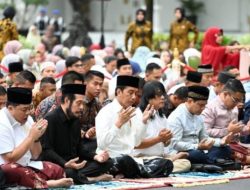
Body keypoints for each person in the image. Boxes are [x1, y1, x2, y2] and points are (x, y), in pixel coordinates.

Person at [96, 75, 173, 178]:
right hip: (112, 159)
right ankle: (140, 172)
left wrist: (143, 122)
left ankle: (135, 173)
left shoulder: (132, 112)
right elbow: (102, 144)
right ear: (119, 92)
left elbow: (136, 142)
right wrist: (118, 124)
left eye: (136, 94)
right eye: (130, 93)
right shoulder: (105, 112)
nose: (134, 97)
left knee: (166, 164)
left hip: (132, 159)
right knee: (124, 160)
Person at [0, 87, 73, 188]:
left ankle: (36, 181)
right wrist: (31, 137)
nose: (28, 113)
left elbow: (35, 155)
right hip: (7, 168)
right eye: (24, 109)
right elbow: (9, 159)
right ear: (10, 108)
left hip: (27, 165)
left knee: (57, 170)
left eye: (29, 108)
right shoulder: (2, 122)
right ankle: (46, 184)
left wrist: (37, 137)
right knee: (11, 170)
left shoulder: (28, 119)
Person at [41, 84, 113, 184]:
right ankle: (93, 179)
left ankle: (79, 177)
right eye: (78, 103)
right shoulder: (50, 119)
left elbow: (79, 148)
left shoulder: (75, 119)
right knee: (70, 172)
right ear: (67, 101)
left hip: (75, 164)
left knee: (108, 162)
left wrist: (96, 157)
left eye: (83, 103)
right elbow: (47, 151)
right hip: (59, 165)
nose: (82, 107)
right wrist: (65, 164)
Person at [134, 81, 191, 173]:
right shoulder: (138, 115)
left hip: (160, 157)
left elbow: (166, 144)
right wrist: (159, 139)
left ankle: (164, 164)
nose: (163, 98)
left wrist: (166, 140)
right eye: (158, 95)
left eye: (163, 94)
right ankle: (166, 163)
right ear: (148, 98)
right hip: (141, 157)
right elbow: (136, 145)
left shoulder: (161, 116)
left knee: (186, 163)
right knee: (163, 163)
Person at [168, 86, 233, 165]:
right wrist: (197, 146)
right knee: (196, 155)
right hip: (182, 152)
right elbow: (175, 144)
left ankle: (210, 163)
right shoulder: (176, 117)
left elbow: (204, 138)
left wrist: (221, 142)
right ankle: (215, 162)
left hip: (199, 150)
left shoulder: (198, 115)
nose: (203, 108)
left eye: (204, 105)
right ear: (190, 101)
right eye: (200, 105)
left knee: (226, 149)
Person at [202, 79, 250, 164]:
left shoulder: (234, 107)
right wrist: (227, 130)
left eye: (240, 101)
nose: (238, 104)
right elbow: (205, 132)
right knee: (225, 151)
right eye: (236, 100)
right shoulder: (210, 108)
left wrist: (247, 129)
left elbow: (236, 130)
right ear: (225, 94)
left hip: (235, 144)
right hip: (218, 146)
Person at [80, 71, 104, 153]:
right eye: (95, 84)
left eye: (101, 85)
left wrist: (95, 129)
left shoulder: (96, 102)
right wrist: (85, 133)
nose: (98, 88)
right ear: (85, 84)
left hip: (90, 140)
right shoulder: (78, 101)